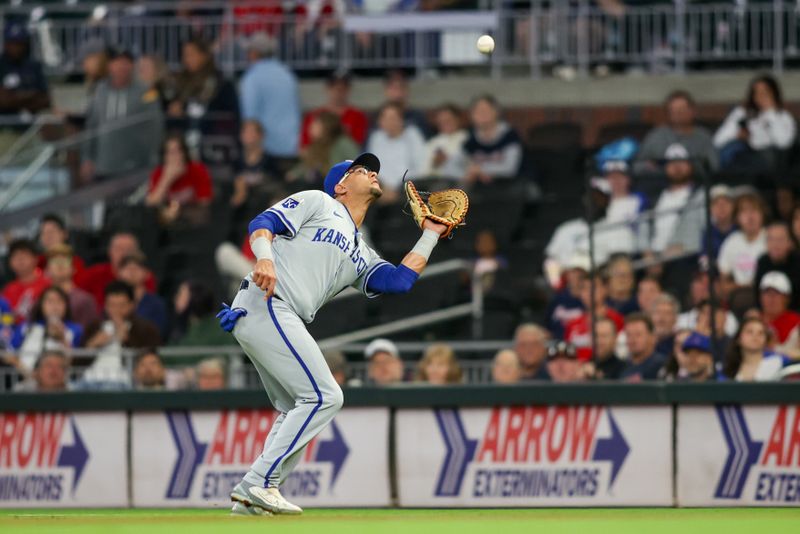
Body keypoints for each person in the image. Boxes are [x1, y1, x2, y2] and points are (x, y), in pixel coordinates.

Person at [220, 151, 451, 515]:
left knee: (293, 406)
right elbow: (262, 222)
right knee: (325, 397)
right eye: (363, 170)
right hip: (267, 301)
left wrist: (431, 235)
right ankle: (259, 483)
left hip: (278, 313)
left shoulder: (360, 249)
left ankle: (253, 502)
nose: (373, 173)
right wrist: (264, 256)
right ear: (342, 185)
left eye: (374, 170)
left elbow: (398, 281)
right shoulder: (319, 201)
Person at [80, 47, 164, 182]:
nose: (121, 67)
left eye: (126, 62)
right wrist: (87, 158)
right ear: (109, 65)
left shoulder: (146, 92)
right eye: (116, 62)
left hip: (135, 165)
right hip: (104, 164)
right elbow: (92, 125)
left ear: (132, 65)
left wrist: (152, 159)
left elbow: (155, 127)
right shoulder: (100, 90)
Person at [81, 281, 162, 383]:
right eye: (112, 305)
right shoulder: (94, 327)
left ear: (132, 305)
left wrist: (126, 340)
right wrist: (92, 344)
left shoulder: (145, 329)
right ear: (105, 306)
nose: (116, 310)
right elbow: (77, 362)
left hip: (127, 383)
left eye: (121, 305)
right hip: (89, 381)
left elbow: (151, 360)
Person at [240, 33, 301, 164]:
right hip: (292, 146)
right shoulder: (287, 73)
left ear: (254, 53)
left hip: (266, 151)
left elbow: (250, 118)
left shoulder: (252, 77)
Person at [714, 74, 796, 171]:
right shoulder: (743, 113)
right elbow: (717, 141)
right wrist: (737, 133)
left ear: (774, 94)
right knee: (731, 149)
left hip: (768, 160)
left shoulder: (783, 117)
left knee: (769, 156)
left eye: (765, 92)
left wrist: (770, 113)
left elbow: (783, 143)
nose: (760, 96)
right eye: (756, 93)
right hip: (743, 156)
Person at [640, 143, 705, 258]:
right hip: (654, 259)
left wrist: (685, 246)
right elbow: (644, 228)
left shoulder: (701, 195)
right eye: (671, 162)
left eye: (681, 161)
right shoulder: (654, 198)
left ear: (691, 165)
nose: (676, 166)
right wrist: (647, 252)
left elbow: (705, 230)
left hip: (686, 257)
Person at [168, 38, 240, 138]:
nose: (186, 59)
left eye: (191, 54)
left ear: (204, 56)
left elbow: (230, 116)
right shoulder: (180, 83)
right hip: (184, 142)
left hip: (212, 141)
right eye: (184, 55)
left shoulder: (221, 84)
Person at [635, 90, 718, 174]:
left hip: (695, 184)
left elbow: (714, 166)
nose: (678, 113)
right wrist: (651, 167)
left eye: (682, 109)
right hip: (661, 184)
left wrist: (691, 168)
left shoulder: (703, 137)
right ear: (667, 113)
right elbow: (637, 166)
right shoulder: (656, 136)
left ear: (693, 111)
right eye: (674, 110)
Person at [75, 232, 158, 309]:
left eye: (129, 249)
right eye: (119, 249)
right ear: (110, 252)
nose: (123, 253)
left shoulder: (145, 276)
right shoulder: (94, 273)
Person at [11, 286, 83, 373]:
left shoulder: (76, 329)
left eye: (59, 301)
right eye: (50, 301)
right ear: (41, 305)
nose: (54, 306)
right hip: (24, 377)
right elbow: (11, 352)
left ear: (66, 305)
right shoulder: (26, 327)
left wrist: (62, 339)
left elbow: (75, 360)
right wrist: (27, 373)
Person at [145, 134, 213, 225]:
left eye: (178, 151)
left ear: (184, 153)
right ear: (164, 156)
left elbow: (205, 203)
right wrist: (167, 178)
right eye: (170, 152)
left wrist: (179, 213)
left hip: (194, 222)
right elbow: (150, 204)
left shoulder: (198, 170)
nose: (174, 157)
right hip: (166, 225)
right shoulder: (158, 173)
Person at [365, 102, 426, 197]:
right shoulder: (376, 138)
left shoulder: (413, 135)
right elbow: (372, 168)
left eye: (393, 118)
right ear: (380, 122)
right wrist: (383, 188)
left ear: (401, 119)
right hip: (381, 190)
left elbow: (421, 167)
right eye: (386, 119)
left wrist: (398, 191)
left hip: (408, 191)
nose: (390, 122)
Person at [288, 111, 360, 189]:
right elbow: (306, 166)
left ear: (326, 126)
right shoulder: (316, 145)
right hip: (318, 186)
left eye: (316, 124)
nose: (311, 127)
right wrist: (293, 174)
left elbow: (357, 166)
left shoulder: (343, 143)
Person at [564, 272, 625, 362]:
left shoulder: (617, 320)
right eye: (584, 288)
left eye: (593, 288)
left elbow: (622, 352)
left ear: (605, 290)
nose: (589, 293)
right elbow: (567, 356)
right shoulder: (572, 324)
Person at [463, 95, 523, 184]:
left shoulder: (510, 135)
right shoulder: (468, 136)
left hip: (511, 186)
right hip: (478, 187)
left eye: (486, 110)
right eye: (478, 111)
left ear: (496, 112)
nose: (482, 114)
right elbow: (452, 166)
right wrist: (471, 173)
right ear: (472, 115)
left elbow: (510, 168)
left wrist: (481, 170)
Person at [300, 71, 368, 148]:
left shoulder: (358, 116)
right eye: (334, 87)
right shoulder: (313, 115)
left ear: (349, 89)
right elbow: (304, 148)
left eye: (342, 88)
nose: (338, 91)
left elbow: (357, 146)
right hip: (319, 158)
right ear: (327, 88)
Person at [718, 192, 768, 294]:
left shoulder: (771, 238)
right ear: (737, 218)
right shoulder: (732, 241)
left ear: (762, 214)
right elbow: (723, 283)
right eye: (744, 212)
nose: (750, 217)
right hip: (739, 296)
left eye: (754, 210)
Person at [670, 184, 737, 258]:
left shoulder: (740, 230)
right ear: (710, 208)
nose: (721, 207)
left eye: (726, 202)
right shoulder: (707, 233)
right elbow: (704, 260)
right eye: (716, 203)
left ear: (733, 206)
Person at [0, 22, 50, 121]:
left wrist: (14, 98)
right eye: (12, 43)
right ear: (6, 43)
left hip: (30, 124)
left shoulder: (34, 66)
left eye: (19, 43)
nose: (16, 48)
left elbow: (46, 100)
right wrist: (30, 96)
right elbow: (2, 101)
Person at [116, 253, 169, 340]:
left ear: (147, 273)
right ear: (119, 273)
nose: (131, 272)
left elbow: (159, 334)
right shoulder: (112, 302)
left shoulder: (156, 304)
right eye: (127, 268)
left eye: (136, 268)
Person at [723, 317, 790, 381]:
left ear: (766, 340)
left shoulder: (777, 361)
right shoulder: (728, 370)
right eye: (749, 332)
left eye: (761, 333)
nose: (755, 336)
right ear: (738, 338)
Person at [753, 222, 800, 310]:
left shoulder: (797, 262)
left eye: (780, 239)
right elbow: (757, 294)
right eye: (771, 239)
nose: (775, 244)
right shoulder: (762, 261)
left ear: (790, 242)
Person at [2, 239, 50, 323]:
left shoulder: (48, 284)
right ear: (10, 263)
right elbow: (5, 319)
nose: (20, 260)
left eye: (24, 255)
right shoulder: (8, 290)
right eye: (15, 256)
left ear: (35, 259)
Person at [758, 271, 800, 359]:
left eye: (777, 293)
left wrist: (775, 348)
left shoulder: (796, 322)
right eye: (767, 293)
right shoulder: (753, 320)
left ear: (786, 298)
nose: (771, 298)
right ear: (760, 296)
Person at [420, 104, 467, 181]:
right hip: (433, 183)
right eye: (441, 122)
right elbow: (423, 171)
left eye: (448, 120)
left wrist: (448, 160)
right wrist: (434, 163)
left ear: (457, 120)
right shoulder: (433, 142)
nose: (445, 124)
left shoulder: (467, 138)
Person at [620, 313, 666, 381]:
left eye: (638, 335)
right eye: (628, 335)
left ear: (653, 337)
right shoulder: (619, 367)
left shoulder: (663, 366)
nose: (632, 340)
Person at [382, 69, 429, 135]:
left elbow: (427, 141)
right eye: (393, 88)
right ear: (386, 91)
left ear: (407, 90)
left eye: (401, 87)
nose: (397, 93)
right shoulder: (378, 116)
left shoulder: (418, 117)